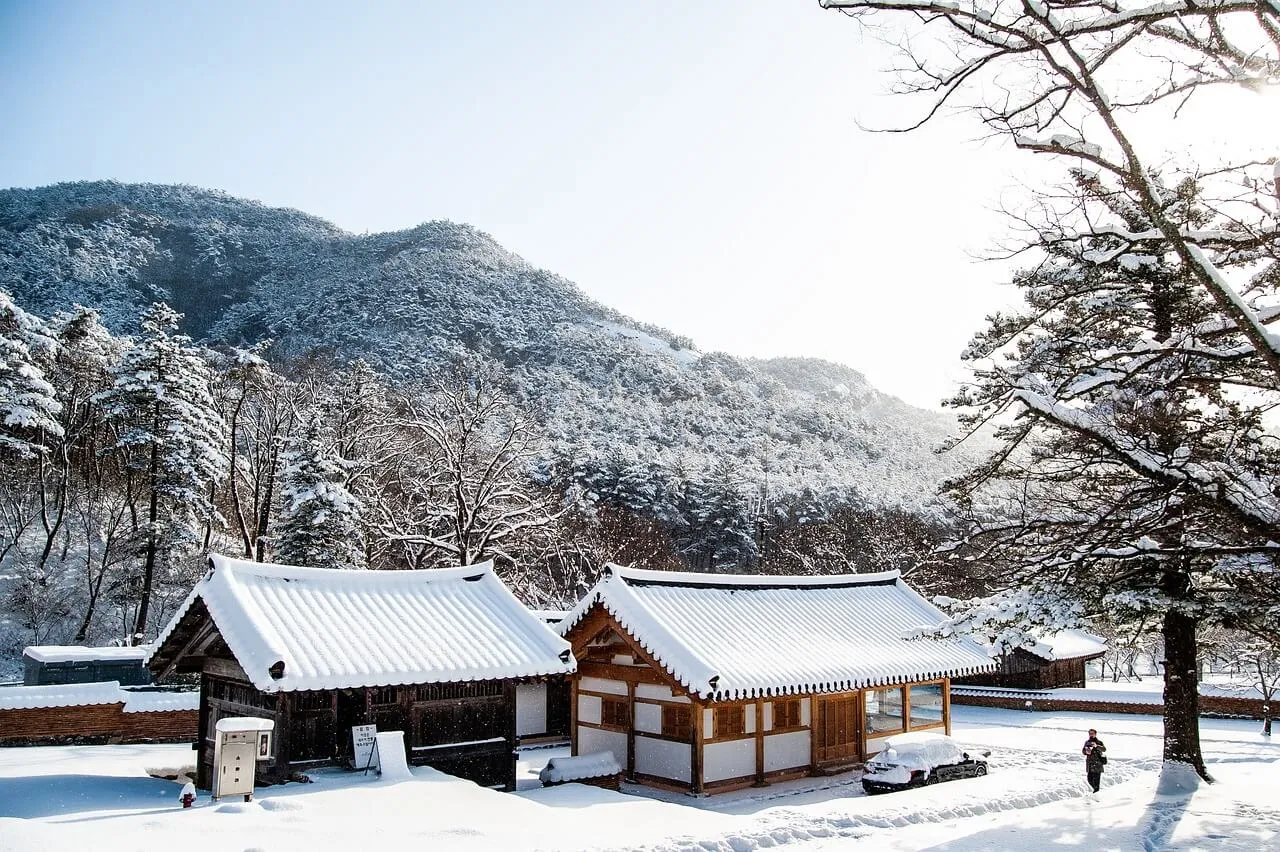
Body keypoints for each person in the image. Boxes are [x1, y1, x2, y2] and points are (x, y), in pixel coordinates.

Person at [1082, 728, 1107, 792]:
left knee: (1096, 782)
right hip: (1089, 765)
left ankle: (1096, 794)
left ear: (1095, 734)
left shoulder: (1099, 742)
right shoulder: (1087, 742)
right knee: (1089, 780)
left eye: (1092, 733)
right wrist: (1086, 751)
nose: (1091, 735)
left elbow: (1104, 749)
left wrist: (1097, 746)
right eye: (1090, 733)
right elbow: (1083, 751)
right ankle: (1096, 792)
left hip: (1097, 765)